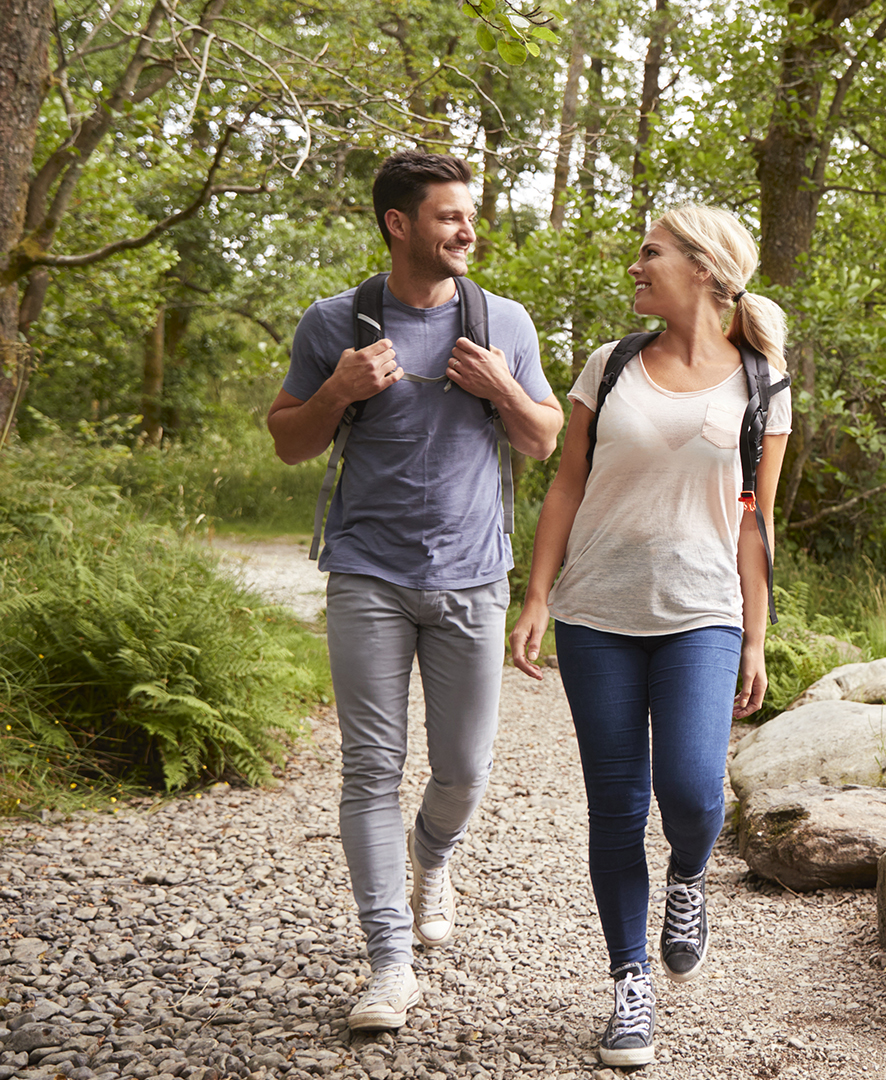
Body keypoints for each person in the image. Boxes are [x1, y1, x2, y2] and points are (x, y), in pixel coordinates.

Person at [267, 151, 563, 1031]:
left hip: (473, 578)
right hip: (367, 574)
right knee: (370, 768)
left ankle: (433, 853)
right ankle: (388, 963)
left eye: (470, 214)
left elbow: (544, 440)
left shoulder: (502, 319)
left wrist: (504, 385)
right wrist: (338, 389)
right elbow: (288, 441)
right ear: (399, 224)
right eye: (449, 216)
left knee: (464, 771)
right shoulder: (335, 322)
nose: (469, 230)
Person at [507, 204, 791, 1067]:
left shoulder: (763, 381)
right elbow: (565, 485)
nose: (635, 266)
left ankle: (689, 879)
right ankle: (629, 984)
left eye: (649, 253)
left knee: (696, 791)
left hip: (703, 612)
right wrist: (538, 595)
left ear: (704, 270)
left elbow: (758, 521)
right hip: (598, 614)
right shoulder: (611, 363)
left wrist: (755, 636)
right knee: (618, 806)